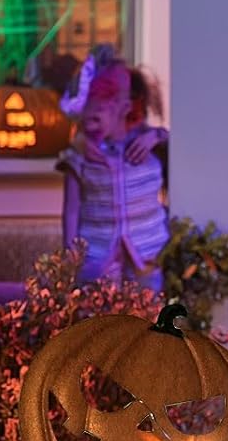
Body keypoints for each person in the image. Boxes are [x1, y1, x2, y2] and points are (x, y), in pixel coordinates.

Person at [59, 45, 169, 290]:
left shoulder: (150, 147)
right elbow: (71, 211)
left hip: (147, 256)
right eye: (86, 116)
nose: (91, 123)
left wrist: (157, 137)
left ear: (125, 108)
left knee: (148, 319)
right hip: (97, 260)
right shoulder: (79, 158)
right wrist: (70, 261)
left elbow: (180, 151)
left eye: (100, 111)